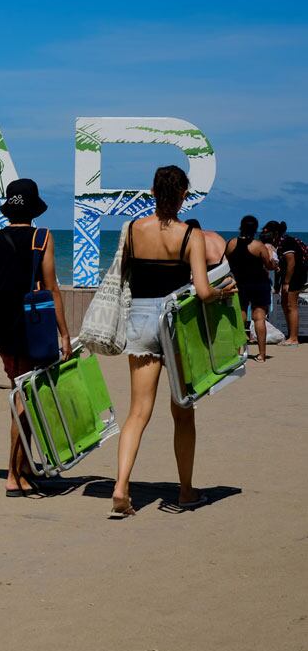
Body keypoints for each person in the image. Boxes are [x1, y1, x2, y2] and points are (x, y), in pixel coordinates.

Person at [111, 165, 236, 519]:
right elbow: (201, 290)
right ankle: (185, 491)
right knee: (183, 412)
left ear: (153, 192)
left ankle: (121, 487)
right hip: (175, 323)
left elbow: (126, 275)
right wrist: (222, 291)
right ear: (183, 194)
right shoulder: (190, 236)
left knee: (137, 412)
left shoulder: (133, 230)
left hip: (139, 318)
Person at [0, 178, 72, 497]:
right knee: (25, 396)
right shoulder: (43, 237)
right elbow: (51, 288)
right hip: (32, 321)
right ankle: (13, 474)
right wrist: (65, 333)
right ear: (34, 208)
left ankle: (24, 466)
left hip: (0, 321)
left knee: (21, 389)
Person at [225, 215, 276, 361]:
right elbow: (268, 265)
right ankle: (261, 354)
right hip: (259, 283)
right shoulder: (258, 245)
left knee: (239, 317)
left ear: (241, 226)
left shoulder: (231, 243)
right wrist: (274, 264)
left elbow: (226, 262)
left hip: (240, 283)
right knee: (259, 317)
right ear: (255, 229)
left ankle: (237, 352)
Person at [261, 220, 305, 345]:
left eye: (267, 232)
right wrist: (277, 285)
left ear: (275, 233)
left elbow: (291, 263)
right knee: (286, 304)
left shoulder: (286, 242)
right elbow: (282, 266)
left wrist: (286, 282)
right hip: (290, 276)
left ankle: (294, 338)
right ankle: (290, 335)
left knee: (291, 305)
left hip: (296, 275)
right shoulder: (279, 243)